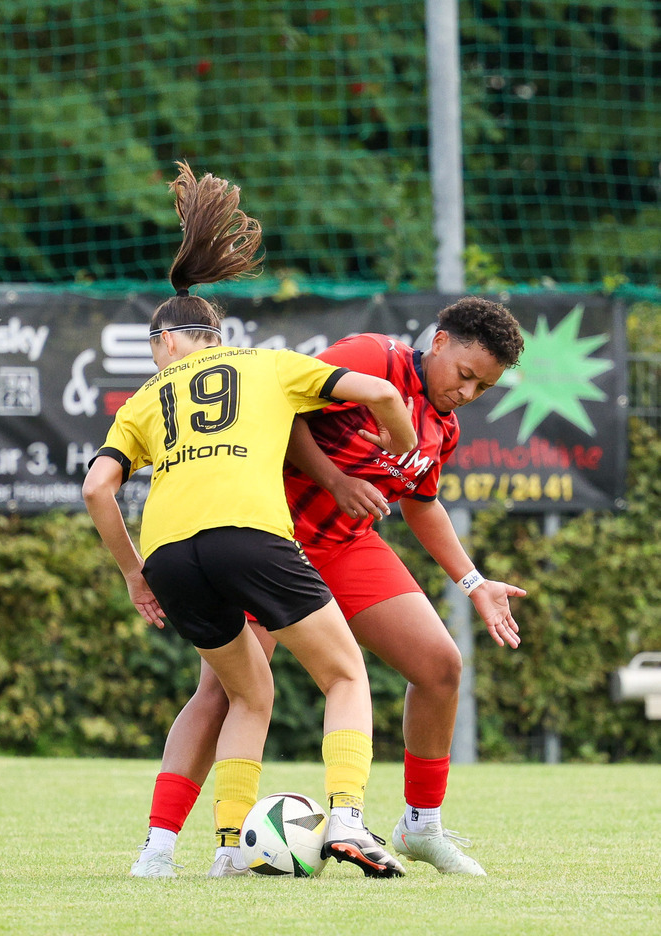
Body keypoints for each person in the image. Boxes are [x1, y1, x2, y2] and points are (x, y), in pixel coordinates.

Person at [82, 161, 419, 879]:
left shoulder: (145, 399)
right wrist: (400, 438)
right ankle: (350, 819)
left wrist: (135, 574)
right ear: (212, 333)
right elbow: (381, 389)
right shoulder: (268, 366)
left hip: (170, 554)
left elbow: (95, 489)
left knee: (246, 691)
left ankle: (194, 850)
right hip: (250, 535)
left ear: (167, 342)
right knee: (345, 676)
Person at [137, 294, 527, 878]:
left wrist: (472, 581)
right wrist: (335, 478)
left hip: (345, 544)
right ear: (440, 342)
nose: (466, 394)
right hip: (271, 537)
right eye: (465, 376)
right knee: (227, 692)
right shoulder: (370, 356)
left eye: (483, 389)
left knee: (440, 666)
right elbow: (281, 409)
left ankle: (420, 827)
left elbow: (423, 505)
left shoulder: (441, 426)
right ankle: (160, 845)